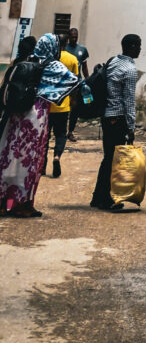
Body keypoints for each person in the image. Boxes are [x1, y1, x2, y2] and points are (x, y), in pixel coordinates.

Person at [0, 33, 78, 217]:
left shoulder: (24, 62)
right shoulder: (51, 65)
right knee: (30, 161)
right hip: (35, 118)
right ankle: (22, 204)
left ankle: (4, 202)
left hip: (15, 117)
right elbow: (73, 81)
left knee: (10, 157)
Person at [91, 33, 141, 212]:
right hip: (118, 118)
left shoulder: (113, 61)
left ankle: (98, 196)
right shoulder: (129, 70)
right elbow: (129, 101)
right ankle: (106, 199)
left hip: (106, 115)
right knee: (113, 161)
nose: (140, 49)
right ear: (131, 47)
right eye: (138, 45)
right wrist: (131, 126)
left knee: (108, 158)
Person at [46, 40, 81, 178]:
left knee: (45, 136)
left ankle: (42, 166)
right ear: (66, 44)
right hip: (63, 104)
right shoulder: (72, 59)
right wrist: (73, 99)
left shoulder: (48, 59)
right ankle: (56, 157)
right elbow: (75, 82)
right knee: (60, 134)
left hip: (47, 104)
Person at [65, 27, 90, 143]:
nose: (74, 39)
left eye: (76, 37)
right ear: (68, 37)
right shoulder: (64, 49)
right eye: (72, 37)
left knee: (74, 108)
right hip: (64, 83)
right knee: (63, 108)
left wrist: (88, 79)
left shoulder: (82, 50)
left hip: (77, 83)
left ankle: (70, 132)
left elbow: (84, 67)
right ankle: (59, 131)